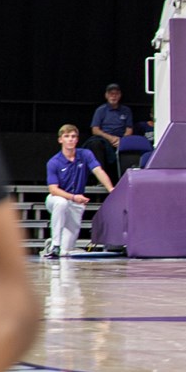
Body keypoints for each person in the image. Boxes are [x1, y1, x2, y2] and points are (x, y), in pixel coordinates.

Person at [43, 124, 116, 258]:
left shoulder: (85, 154)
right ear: (60, 140)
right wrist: (73, 197)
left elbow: (98, 171)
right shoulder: (54, 162)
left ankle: (54, 245)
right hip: (58, 198)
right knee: (61, 203)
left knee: (66, 251)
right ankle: (55, 244)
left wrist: (110, 188)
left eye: (73, 136)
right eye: (67, 136)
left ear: (77, 139)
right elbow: (53, 190)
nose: (70, 139)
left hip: (76, 202)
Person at [85, 83, 135, 176]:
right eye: (111, 94)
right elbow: (95, 130)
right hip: (104, 139)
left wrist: (122, 141)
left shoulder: (126, 110)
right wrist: (110, 138)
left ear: (120, 95)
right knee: (95, 144)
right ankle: (100, 178)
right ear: (106, 95)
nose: (113, 96)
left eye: (116, 94)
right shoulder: (100, 110)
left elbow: (129, 129)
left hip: (121, 139)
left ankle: (126, 177)